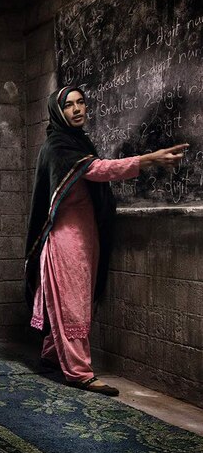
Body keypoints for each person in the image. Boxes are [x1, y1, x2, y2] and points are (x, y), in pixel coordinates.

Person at [25, 86, 188, 396]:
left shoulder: (77, 142)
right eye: (69, 105)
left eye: (80, 102)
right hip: (66, 241)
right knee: (72, 305)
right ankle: (80, 373)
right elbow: (98, 170)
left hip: (85, 239)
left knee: (75, 302)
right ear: (58, 113)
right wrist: (147, 160)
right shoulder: (59, 145)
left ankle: (51, 353)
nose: (76, 109)